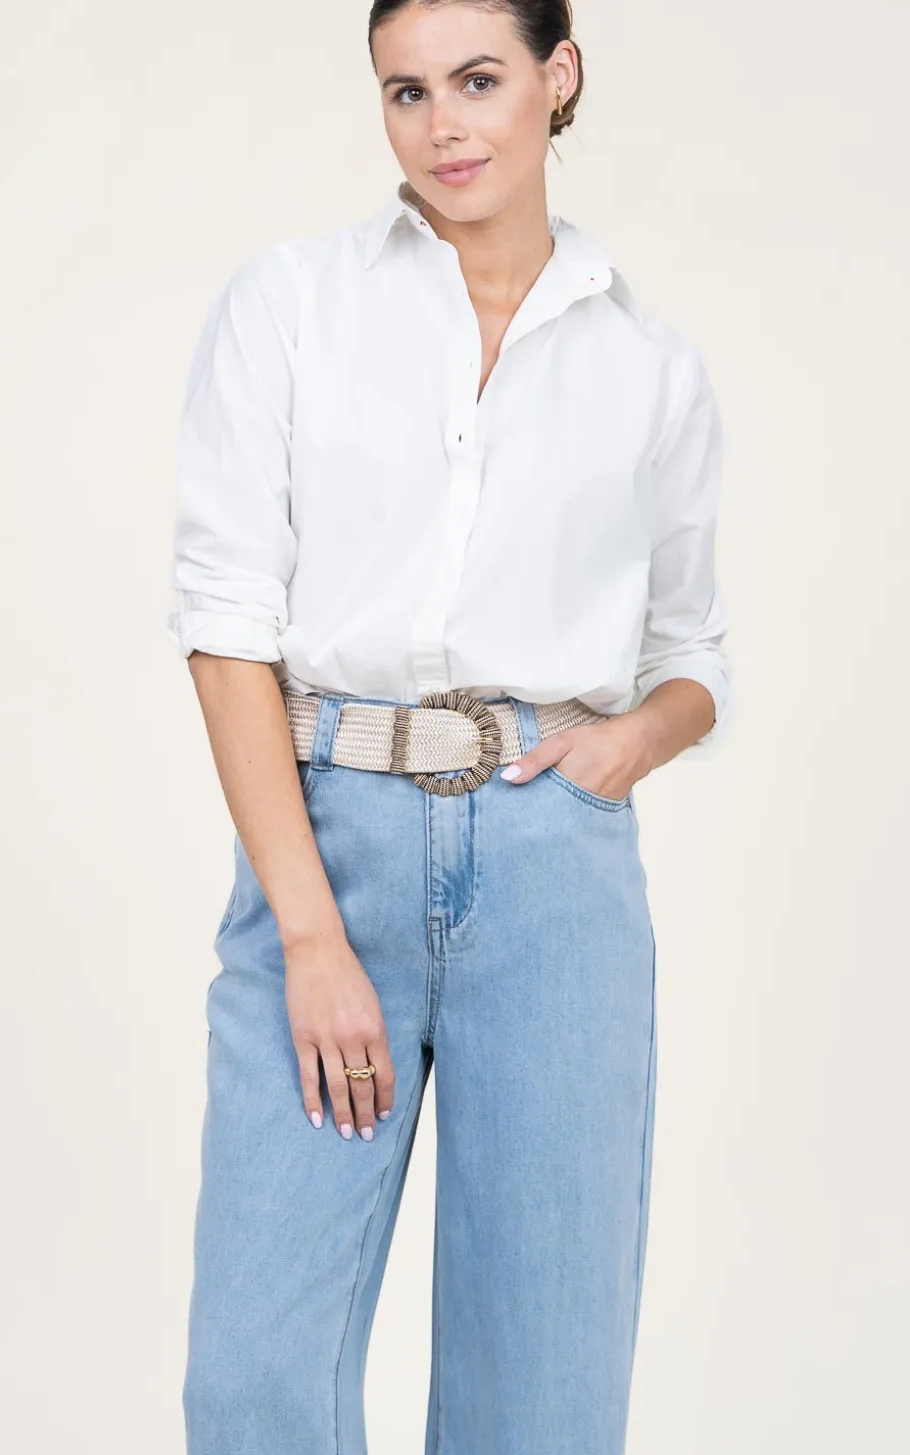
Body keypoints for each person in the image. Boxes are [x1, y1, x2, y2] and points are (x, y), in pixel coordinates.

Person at [165, 2, 732, 1451]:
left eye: (478, 80)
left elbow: (690, 657)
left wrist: (629, 744)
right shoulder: (292, 304)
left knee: (538, 1396)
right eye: (405, 91)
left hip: (554, 867)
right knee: (254, 1380)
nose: (443, 126)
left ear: (560, 76)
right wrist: (309, 935)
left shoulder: (649, 368)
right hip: (329, 840)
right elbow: (226, 632)